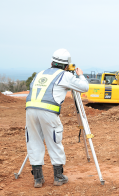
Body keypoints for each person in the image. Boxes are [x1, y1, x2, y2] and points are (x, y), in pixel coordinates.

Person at [25, 48, 89, 188]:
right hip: (48, 112)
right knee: (54, 141)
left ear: (52, 62)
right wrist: (80, 75)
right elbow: (84, 88)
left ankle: (38, 179)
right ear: (67, 66)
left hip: (30, 110)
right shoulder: (65, 76)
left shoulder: (39, 73)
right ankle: (58, 177)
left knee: (34, 142)